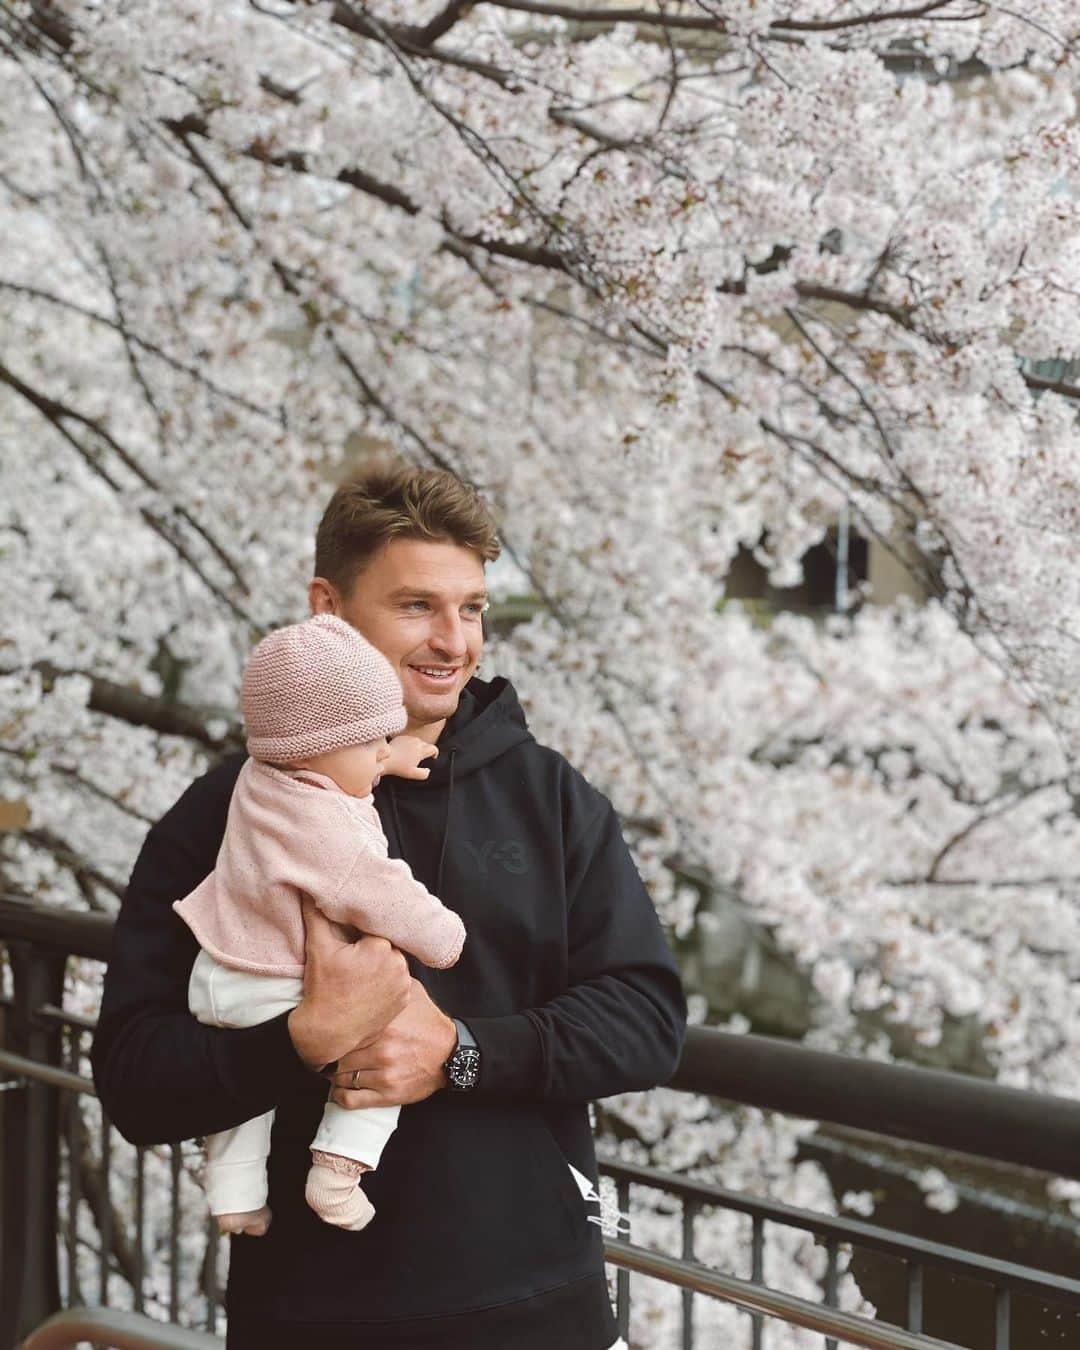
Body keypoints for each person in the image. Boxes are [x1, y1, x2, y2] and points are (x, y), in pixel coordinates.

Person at [92, 460, 687, 1350]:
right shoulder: (224, 816)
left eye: (473, 608)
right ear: (327, 610)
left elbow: (646, 1019)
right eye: (418, 606)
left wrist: (460, 1051)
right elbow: (135, 1081)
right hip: (311, 1316)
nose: (456, 641)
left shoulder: (552, 798)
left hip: (537, 1308)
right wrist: (299, 1040)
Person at [174, 614, 465, 1237]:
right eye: (373, 741)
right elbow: (381, 891)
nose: (383, 750)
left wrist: (386, 758)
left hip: (223, 972)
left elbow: (333, 766)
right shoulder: (331, 837)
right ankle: (338, 1170)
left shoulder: (266, 776)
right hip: (278, 981)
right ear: (318, 747)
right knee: (388, 1040)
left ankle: (234, 1198)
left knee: (243, 1108)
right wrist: (443, 936)